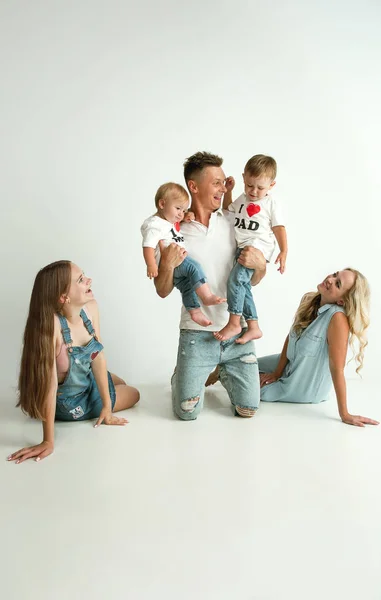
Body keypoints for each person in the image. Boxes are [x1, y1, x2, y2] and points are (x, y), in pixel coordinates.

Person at [154, 151, 266, 420]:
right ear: (193, 186)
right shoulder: (172, 231)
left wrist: (260, 265)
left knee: (248, 409)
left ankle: (223, 369)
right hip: (197, 333)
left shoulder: (233, 222)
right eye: (216, 182)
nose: (223, 186)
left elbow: (251, 280)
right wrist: (168, 264)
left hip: (236, 332)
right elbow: (162, 290)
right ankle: (182, 375)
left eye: (223, 181)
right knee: (187, 412)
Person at [207, 269, 379, 427]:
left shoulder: (337, 319)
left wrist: (345, 413)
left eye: (338, 283)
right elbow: (291, 337)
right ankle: (218, 371)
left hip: (302, 387)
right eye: (335, 275)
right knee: (241, 363)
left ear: (342, 300)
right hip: (290, 363)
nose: (330, 279)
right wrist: (276, 372)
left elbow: (337, 368)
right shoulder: (310, 300)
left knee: (247, 388)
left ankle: (221, 374)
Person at [7, 260, 140, 463]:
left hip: (87, 380)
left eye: (84, 275)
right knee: (134, 393)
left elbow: (98, 357)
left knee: (119, 382)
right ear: (64, 297)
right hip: (71, 401)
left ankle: (103, 398)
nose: (89, 280)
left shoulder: (91, 308)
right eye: (80, 279)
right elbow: (48, 385)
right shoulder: (52, 326)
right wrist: (47, 441)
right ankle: (88, 405)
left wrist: (107, 407)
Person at [214, 154, 288, 343]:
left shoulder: (270, 203)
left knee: (235, 281)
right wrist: (229, 191)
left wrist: (284, 250)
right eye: (249, 185)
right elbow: (229, 211)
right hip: (241, 248)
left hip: (256, 249)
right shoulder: (243, 198)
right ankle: (253, 326)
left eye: (260, 187)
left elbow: (279, 227)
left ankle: (234, 322)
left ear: (271, 185)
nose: (254, 191)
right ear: (243, 179)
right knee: (243, 286)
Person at [141, 182, 225, 327]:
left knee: (187, 286)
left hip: (176, 265)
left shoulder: (168, 221)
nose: (180, 213)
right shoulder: (155, 225)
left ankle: (195, 311)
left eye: (183, 209)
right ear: (162, 204)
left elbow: (175, 226)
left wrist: (184, 216)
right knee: (195, 267)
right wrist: (151, 265)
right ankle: (206, 296)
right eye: (178, 208)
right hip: (176, 261)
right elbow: (148, 246)